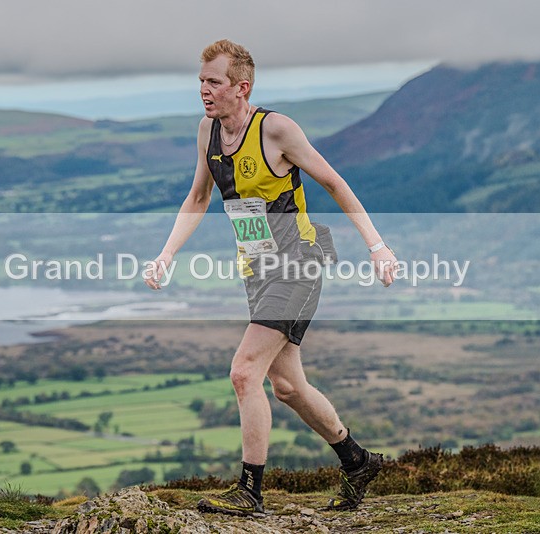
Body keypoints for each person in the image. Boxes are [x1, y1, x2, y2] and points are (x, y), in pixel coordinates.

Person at [144, 39, 398, 516]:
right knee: (286, 386)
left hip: (298, 262)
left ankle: (250, 493)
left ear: (241, 87)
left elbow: (334, 183)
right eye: (200, 80)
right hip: (257, 269)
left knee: (244, 373)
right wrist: (166, 255)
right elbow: (198, 197)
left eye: (213, 81)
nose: (203, 89)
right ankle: (357, 460)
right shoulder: (208, 132)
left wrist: (377, 246)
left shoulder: (276, 130)